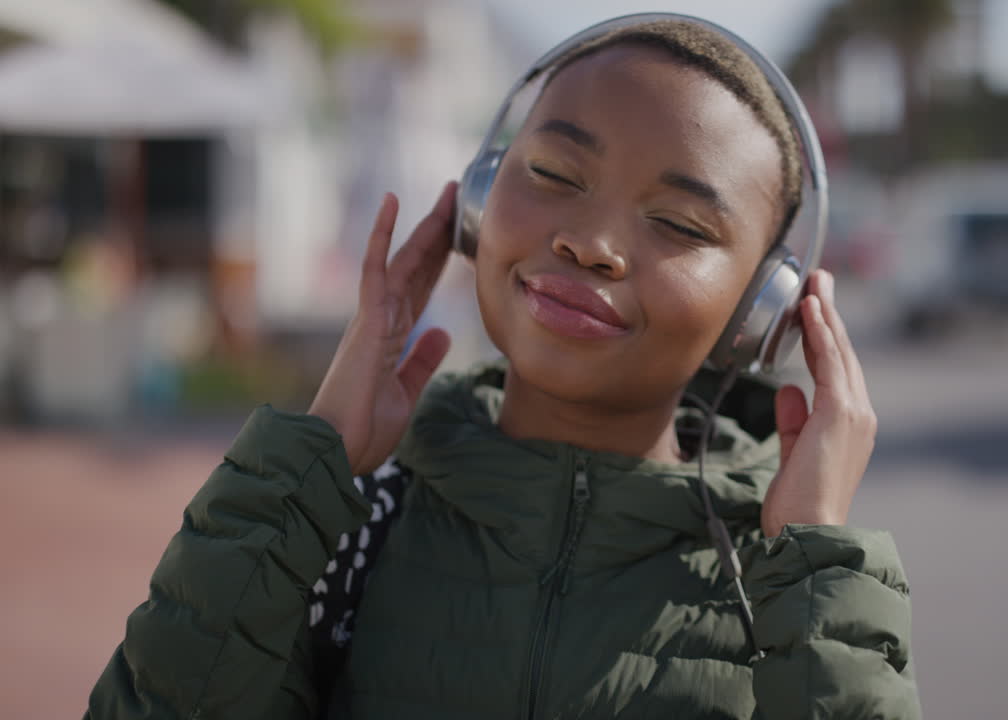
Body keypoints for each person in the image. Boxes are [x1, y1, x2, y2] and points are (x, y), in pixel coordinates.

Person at [85, 15, 919, 720]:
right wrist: (311, 464)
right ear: (477, 203)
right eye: (554, 173)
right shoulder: (340, 530)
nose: (589, 243)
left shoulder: (779, 592)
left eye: (680, 224)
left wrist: (814, 570)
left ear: (759, 316)